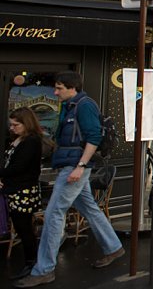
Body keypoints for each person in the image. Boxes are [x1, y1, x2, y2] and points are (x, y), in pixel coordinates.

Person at [15, 71, 124, 288]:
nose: (55, 92)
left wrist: (81, 166)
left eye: (59, 88)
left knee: (53, 213)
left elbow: (94, 137)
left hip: (75, 167)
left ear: (72, 88)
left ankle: (44, 270)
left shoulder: (84, 105)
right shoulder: (71, 105)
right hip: (71, 165)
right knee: (90, 208)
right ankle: (113, 247)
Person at [1, 108, 43, 281]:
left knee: (23, 227)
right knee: (21, 226)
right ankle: (31, 261)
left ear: (27, 124)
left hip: (23, 190)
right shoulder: (19, 140)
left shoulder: (31, 141)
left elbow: (19, 167)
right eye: (11, 124)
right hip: (17, 188)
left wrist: (3, 175)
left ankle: (31, 262)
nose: (12, 128)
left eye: (16, 125)